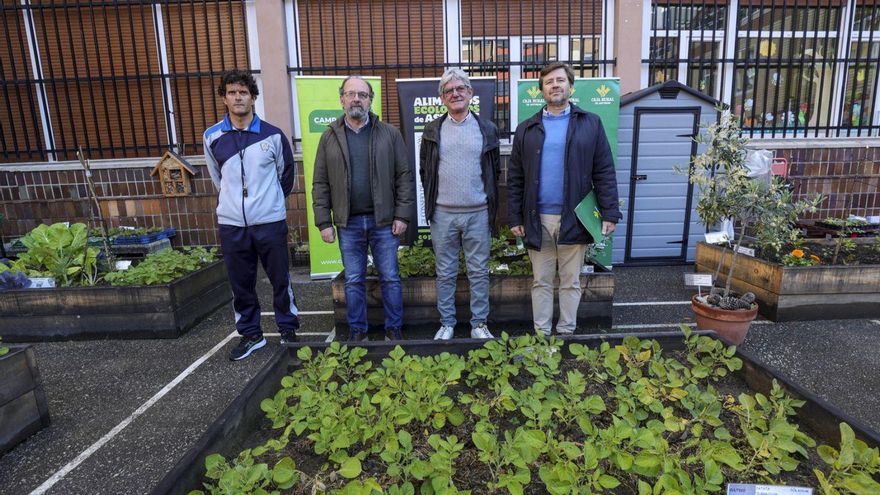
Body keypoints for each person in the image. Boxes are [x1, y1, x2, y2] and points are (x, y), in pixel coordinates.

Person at [508, 62, 621, 336]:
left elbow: (604, 170)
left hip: (575, 218)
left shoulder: (590, 123)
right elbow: (515, 177)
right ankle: (542, 335)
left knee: (571, 282)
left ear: (571, 86)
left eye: (560, 80)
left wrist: (610, 212)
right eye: (549, 82)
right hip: (537, 219)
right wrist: (514, 217)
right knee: (541, 282)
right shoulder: (526, 129)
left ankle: (567, 333)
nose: (555, 85)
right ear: (542, 90)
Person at [204, 69, 300, 361]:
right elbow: (218, 179)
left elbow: (287, 176)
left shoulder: (273, 136)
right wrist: (236, 204)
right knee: (240, 283)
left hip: (269, 222)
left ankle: (288, 329)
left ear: (253, 97)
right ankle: (251, 335)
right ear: (224, 98)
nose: (238, 97)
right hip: (233, 225)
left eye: (243, 92)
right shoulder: (212, 137)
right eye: (232, 92)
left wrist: (268, 203)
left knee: (280, 279)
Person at [312, 75, 414, 342]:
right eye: (351, 93)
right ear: (342, 99)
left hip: (384, 222)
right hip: (348, 224)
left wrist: (402, 215)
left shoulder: (389, 134)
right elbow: (320, 182)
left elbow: (404, 176)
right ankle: (358, 333)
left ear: (370, 100)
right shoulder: (329, 137)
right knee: (354, 281)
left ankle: (394, 330)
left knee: (390, 278)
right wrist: (324, 221)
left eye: (362, 94)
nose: (356, 98)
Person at [419, 68, 499, 340]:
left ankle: (479, 324)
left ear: (470, 93)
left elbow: (493, 171)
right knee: (445, 273)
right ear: (442, 98)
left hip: (478, 213)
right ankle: (447, 323)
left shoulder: (486, 129)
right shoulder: (432, 130)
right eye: (448, 90)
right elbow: (425, 171)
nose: (455, 94)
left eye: (460, 88)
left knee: (478, 273)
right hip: (443, 214)